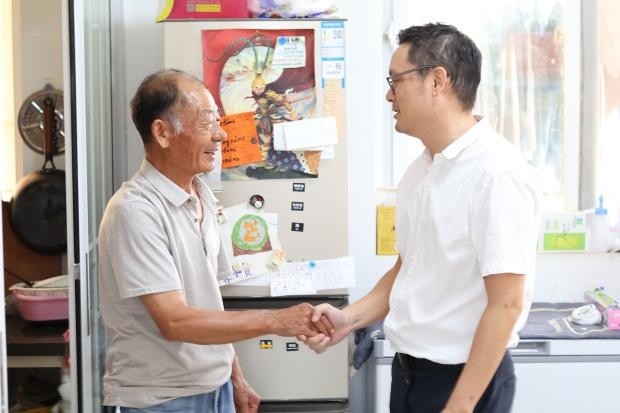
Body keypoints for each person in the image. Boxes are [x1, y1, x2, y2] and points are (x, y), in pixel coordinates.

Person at [301, 23, 540, 413]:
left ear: (437, 81)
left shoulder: (497, 173)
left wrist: (459, 406)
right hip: (410, 374)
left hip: (464, 384)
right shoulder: (423, 169)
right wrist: (348, 318)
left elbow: (507, 305)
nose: (388, 94)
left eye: (396, 80)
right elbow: (409, 269)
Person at [98, 69, 332, 413]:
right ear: (162, 132)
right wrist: (276, 320)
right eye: (206, 121)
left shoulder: (201, 195)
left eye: (218, 121)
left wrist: (235, 378)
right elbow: (175, 322)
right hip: (161, 401)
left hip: (216, 389)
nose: (221, 135)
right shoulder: (135, 210)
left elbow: (209, 305)